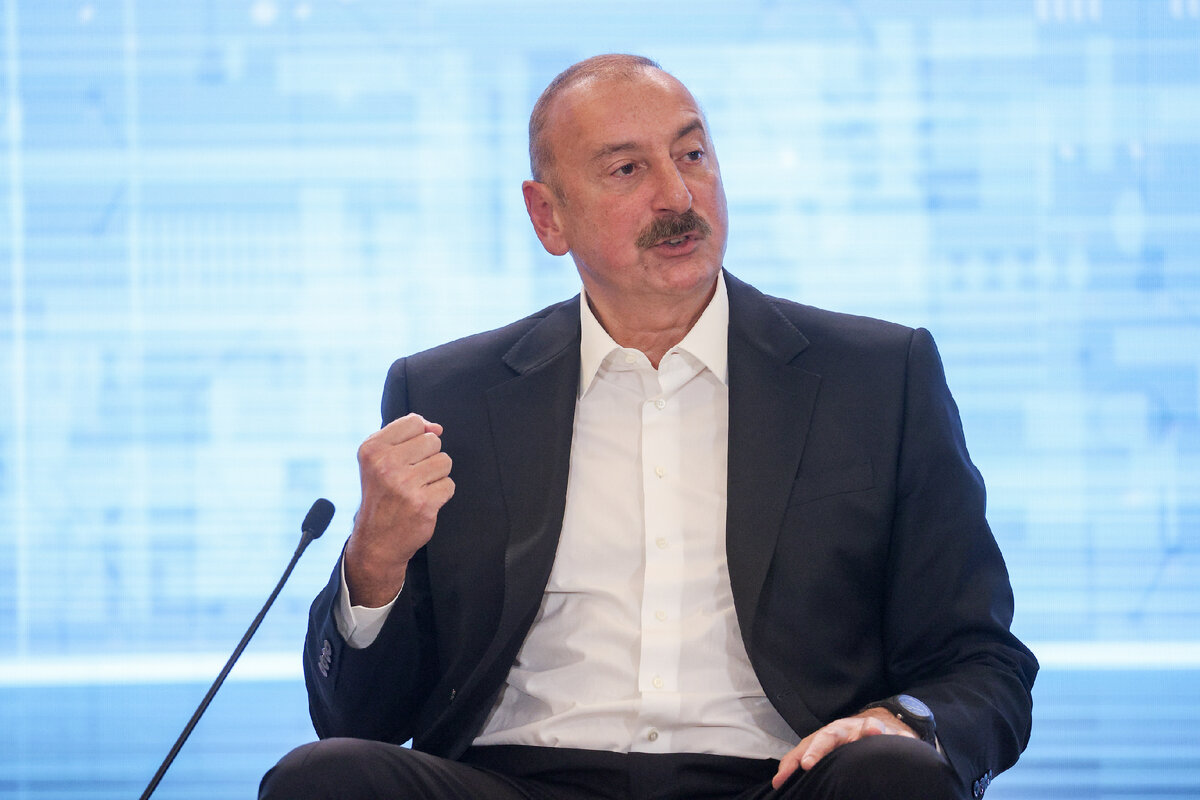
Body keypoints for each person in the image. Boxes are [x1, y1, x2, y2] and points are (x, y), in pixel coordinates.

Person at [260, 54, 1037, 800]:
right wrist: (375, 562)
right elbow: (359, 720)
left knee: (892, 774)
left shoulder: (876, 378)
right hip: (516, 780)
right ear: (548, 216)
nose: (678, 195)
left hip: (780, 778)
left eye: (692, 155)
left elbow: (980, 660)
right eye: (628, 169)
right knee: (320, 780)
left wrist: (902, 722)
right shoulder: (447, 396)